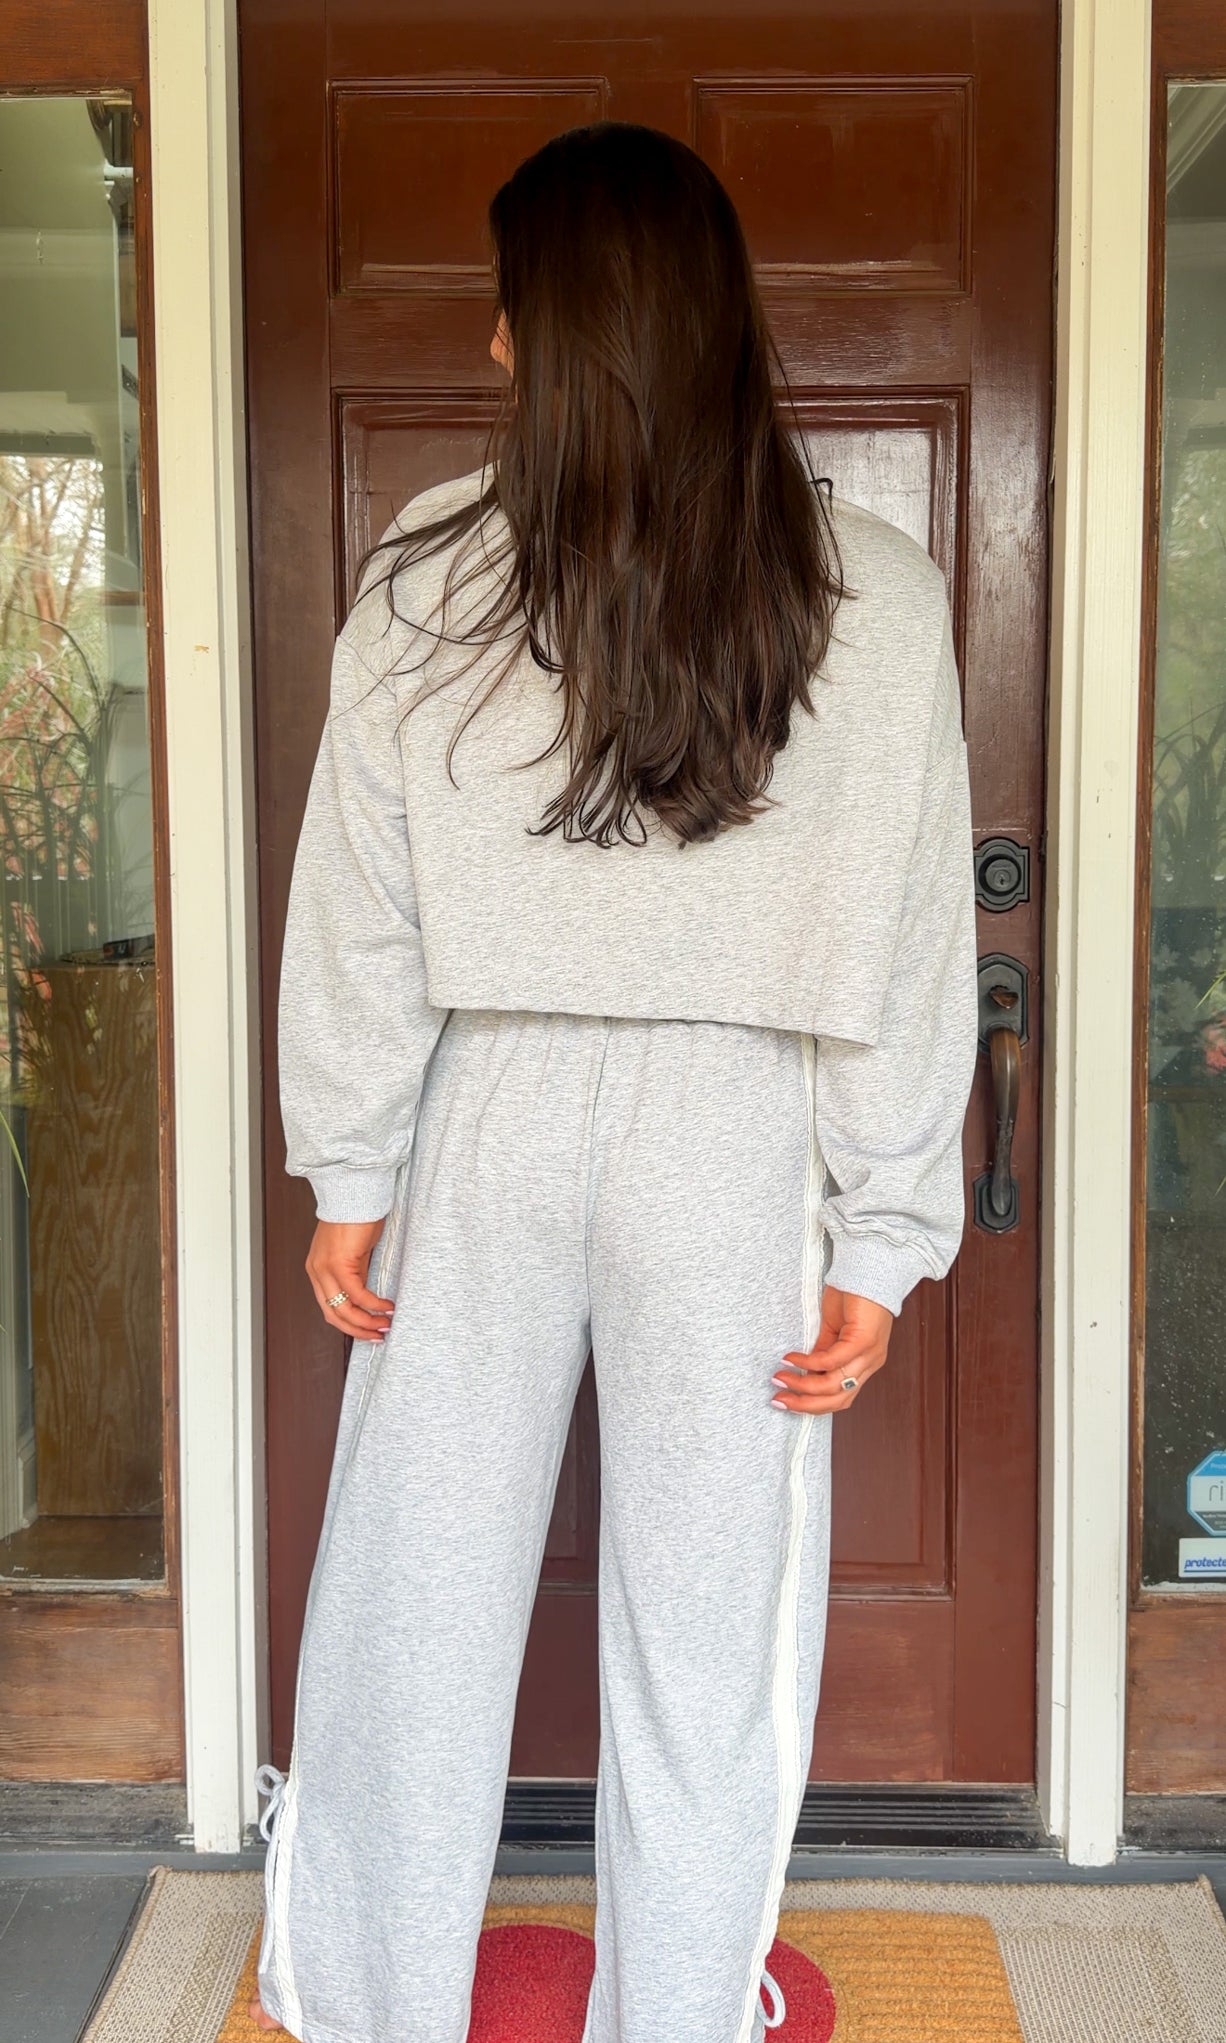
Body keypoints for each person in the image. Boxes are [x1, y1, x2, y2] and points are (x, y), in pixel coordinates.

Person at [251, 120, 978, 2043]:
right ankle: (671, 2014)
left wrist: (350, 1166)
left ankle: (368, 2003)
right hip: (733, 1140)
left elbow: (364, 900)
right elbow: (910, 938)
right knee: (707, 1636)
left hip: (485, 1113)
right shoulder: (878, 594)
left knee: (415, 1607)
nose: (492, 351)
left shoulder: (431, 573)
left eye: (512, 314)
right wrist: (884, 1221)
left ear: (565, 333)